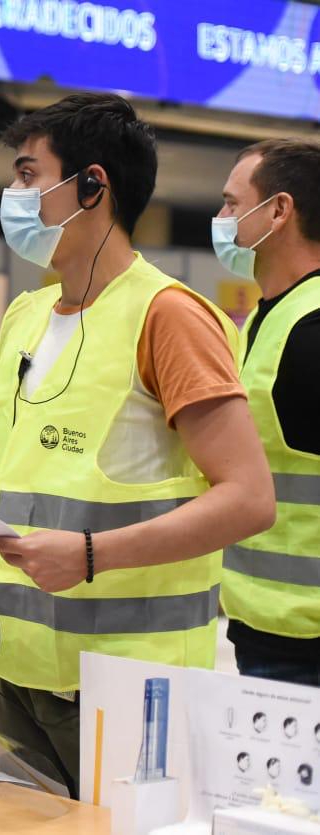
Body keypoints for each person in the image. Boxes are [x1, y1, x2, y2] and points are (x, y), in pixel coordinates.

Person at [0, 94, 273, 795]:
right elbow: (34, 494)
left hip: (127, 682)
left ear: (92, 186)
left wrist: (91, 554)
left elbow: (249, 499)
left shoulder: (168, 316)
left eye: (27, 175)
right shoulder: (27, 315)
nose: (12, 194)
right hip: (13, 668)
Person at [214, 139, 320, 687]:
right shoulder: (264, 319)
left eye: (232, 203)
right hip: (264, 627)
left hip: (307, 643)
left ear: (278, 211)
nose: (221, 217)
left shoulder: (313, 327)